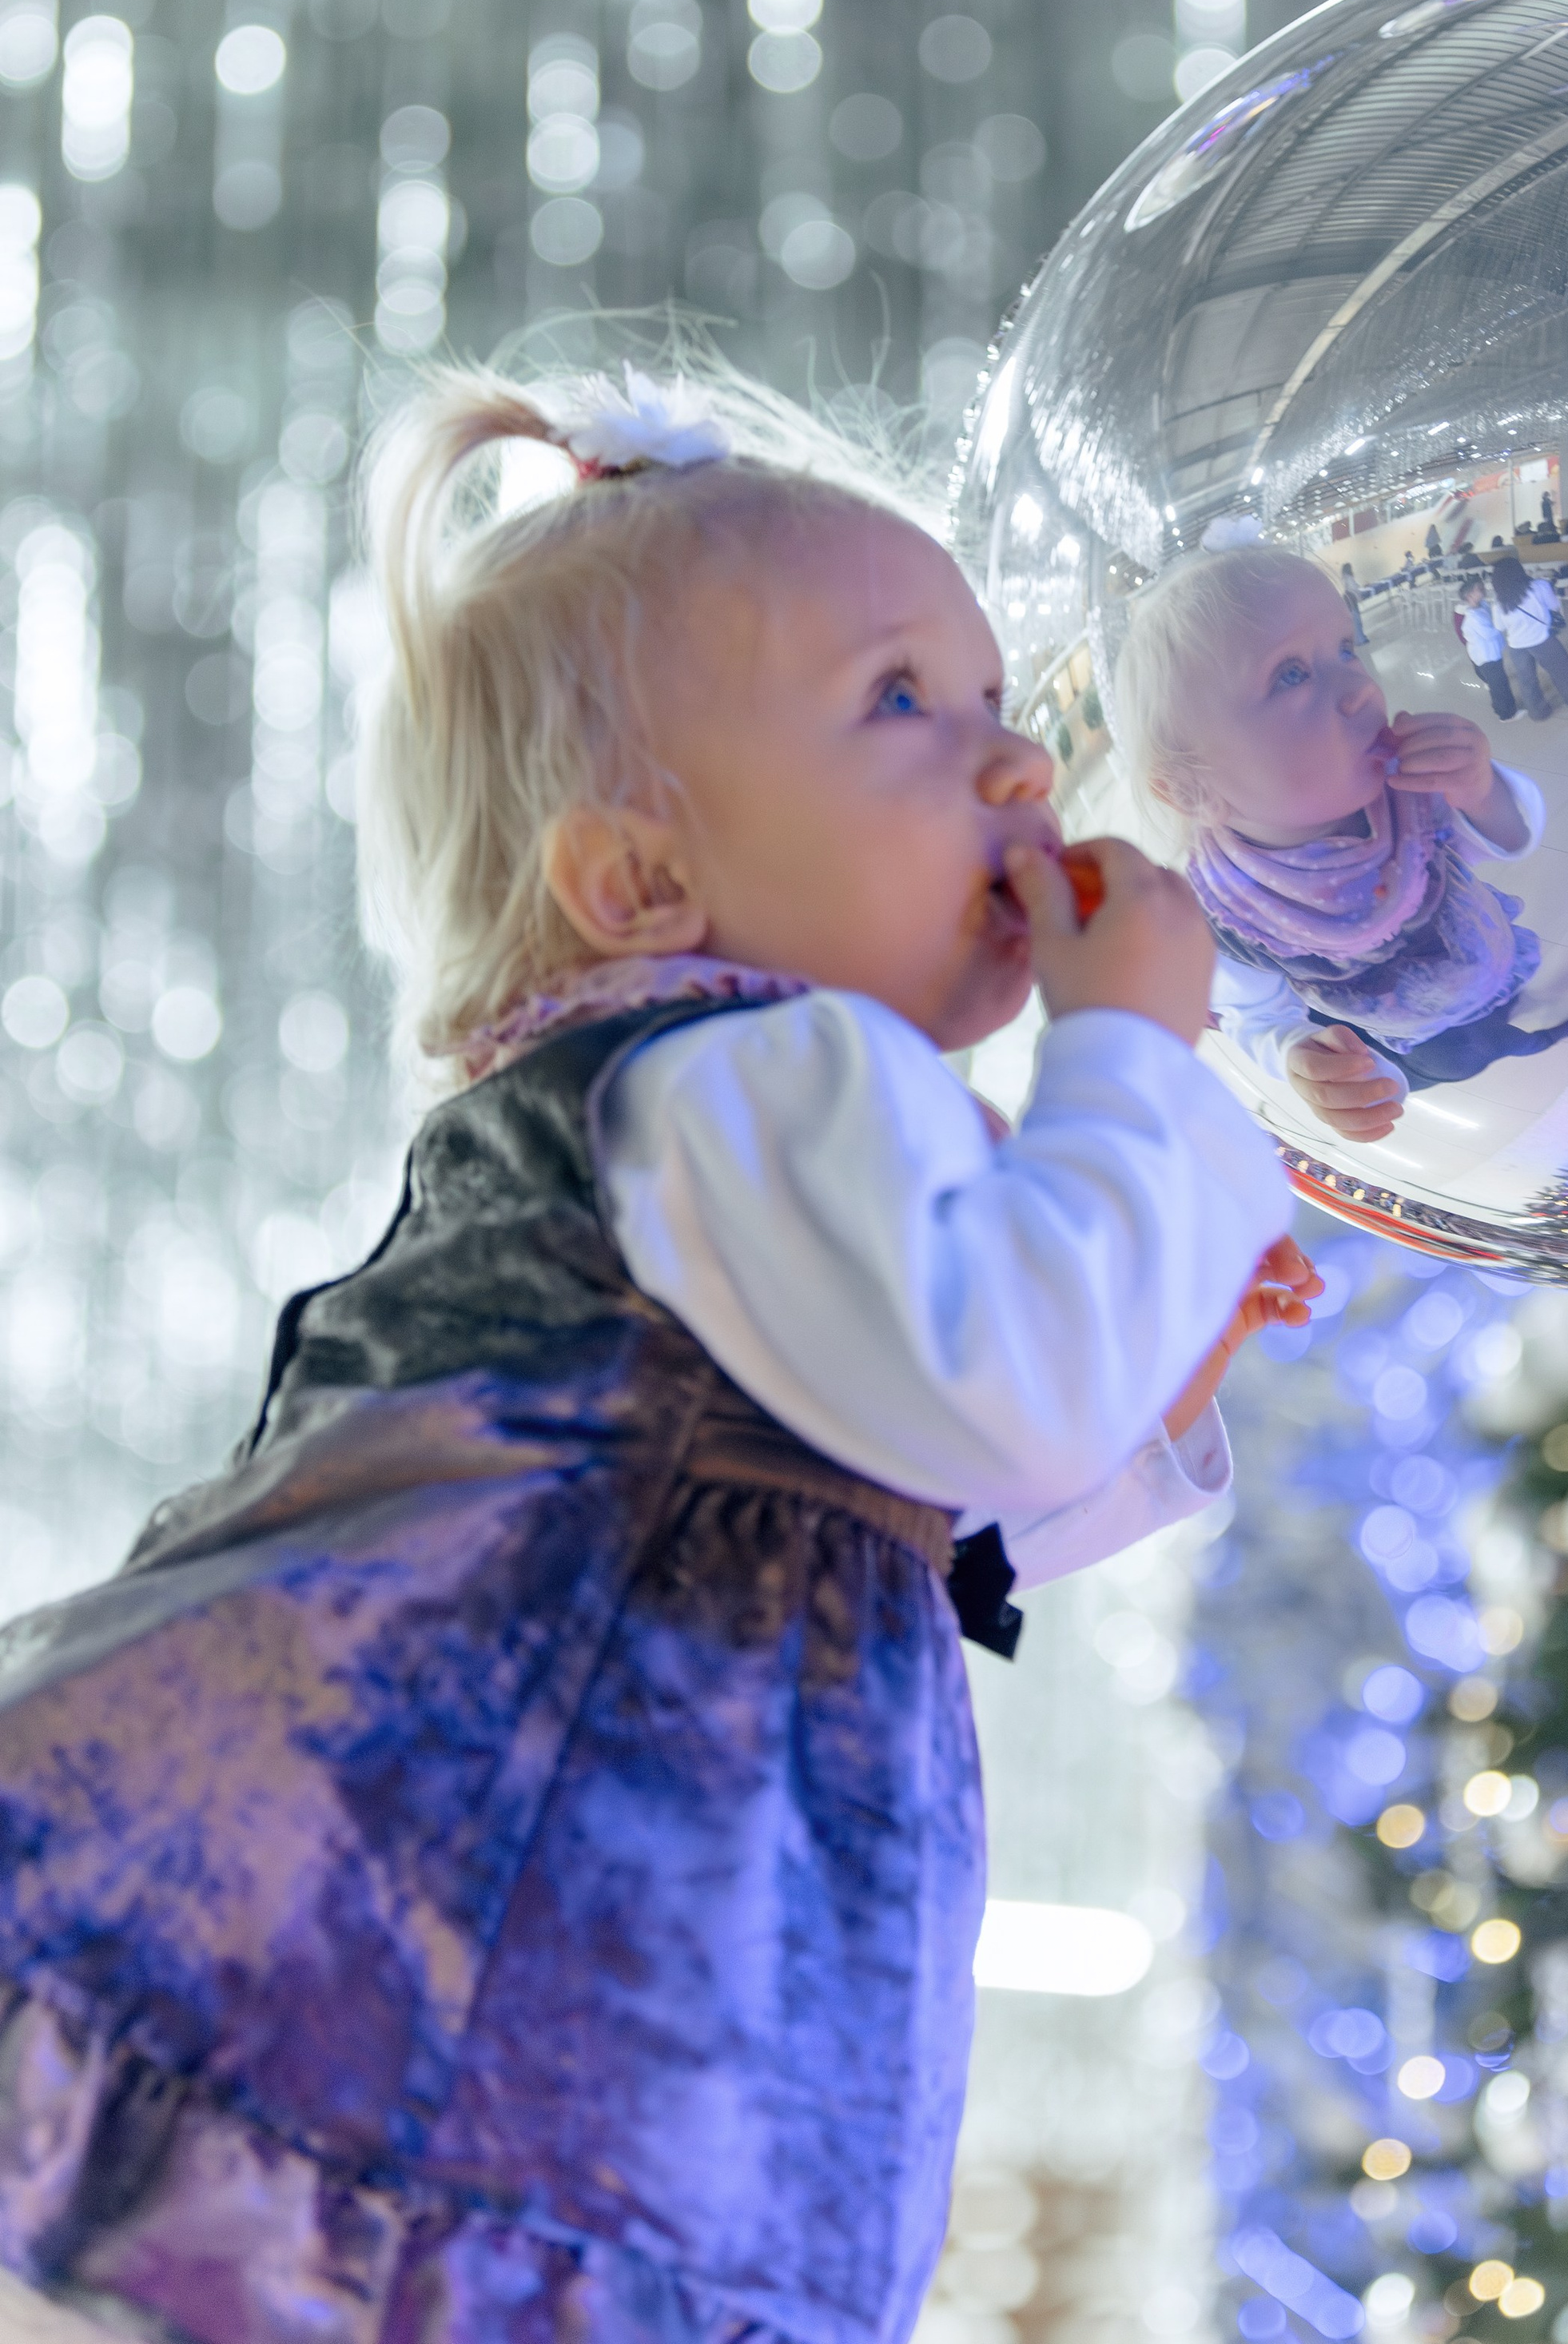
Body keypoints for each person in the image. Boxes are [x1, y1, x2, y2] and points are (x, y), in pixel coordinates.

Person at [0, 366, 1303, 2344]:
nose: (1021, 765)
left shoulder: (745, 1102)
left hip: (579, 1991)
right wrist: (1132, 1055)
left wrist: (1157, 1343)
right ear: (638, 884)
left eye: (993, 699)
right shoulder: (754, 1065)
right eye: (900, 703)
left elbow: (900, 1484)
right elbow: (997, 1378)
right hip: (547, 1982)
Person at [1112, 543, 1568, 1117]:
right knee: (1455, 1061)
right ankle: (1498, 1050)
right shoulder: (1219, 916)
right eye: (1291, 674)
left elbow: (1506, 838)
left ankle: (1526, 1039)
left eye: (1346, 649)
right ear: (1192, 789)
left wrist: (1480, 789)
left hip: (1487, 958)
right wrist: (1295, 1052)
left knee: (1500, 1019)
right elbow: (1256, 1014)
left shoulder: (1409, 791)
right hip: (1407, 1036)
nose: (1363, 688)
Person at [1490, 553, 1568, 720]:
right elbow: (1554, 606)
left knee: (1527, 681)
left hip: (1517, 645)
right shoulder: (1539, 586)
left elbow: (1500, 627)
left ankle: (1538, 713)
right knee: (1562, 672)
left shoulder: (1498, 603)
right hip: (1542, 639)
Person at [1455, 571, 1517, 721]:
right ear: (1469, 596)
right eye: (1478, 589)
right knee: (1498, 686)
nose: (1483, 590)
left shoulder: (1481, 606)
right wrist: (1500, 623)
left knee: (1500, 682)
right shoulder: (1473, 617)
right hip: (1486, 656)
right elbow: (1490, 633)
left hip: (1491, 653)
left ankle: (1509, 708)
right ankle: (1505, 714)